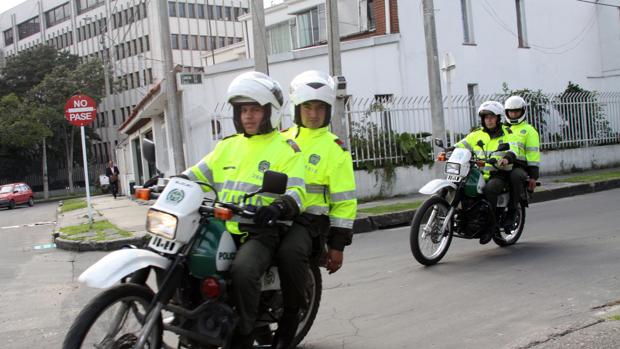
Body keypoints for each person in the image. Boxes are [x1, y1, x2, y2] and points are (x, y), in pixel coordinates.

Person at [181, 71, 306, 349]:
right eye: (243, 110)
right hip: (219, 225)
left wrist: (279, 206)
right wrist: (168, 181)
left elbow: (298, 192)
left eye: (255, 110)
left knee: (244, 270)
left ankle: (244, 334)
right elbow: (196, 175)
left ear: (269, 113)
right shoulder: (227, 146)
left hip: (259, 231)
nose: (248, 116)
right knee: (181, 259)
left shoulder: (286, 148)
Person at [276, 71, 357, 349]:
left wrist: (337, 246)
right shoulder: (280, 139)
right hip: (276, 214)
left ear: (328, 110)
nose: (313, 114)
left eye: (319, 107)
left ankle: (291, 316)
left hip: (310, 221)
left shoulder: (335, 149)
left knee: (290, 253)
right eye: (307, 107)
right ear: (297, 109)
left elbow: (345, 201)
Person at [455, 101, 517, 244]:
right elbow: (461, 145)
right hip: (478, 173)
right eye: (486, 117)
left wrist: (507, 158)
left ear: (498, 118)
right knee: (461, 187)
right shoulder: (476, 134)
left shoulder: (508, 133)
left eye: (492, 117)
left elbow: (514, 149)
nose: (488, 120)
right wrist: (448, 150)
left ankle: (491, 227)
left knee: (490, 189)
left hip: (498, 173)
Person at [503, 95, 540, 224]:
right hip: (501, 164)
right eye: (510, 112)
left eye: (516, 111)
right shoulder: (502, 128)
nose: (513, 114)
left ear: (523, 111)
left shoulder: (529, 131)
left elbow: (533, 154)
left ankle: (512, 211)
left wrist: (533, 176)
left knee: (515, 176)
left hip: (520, 166)